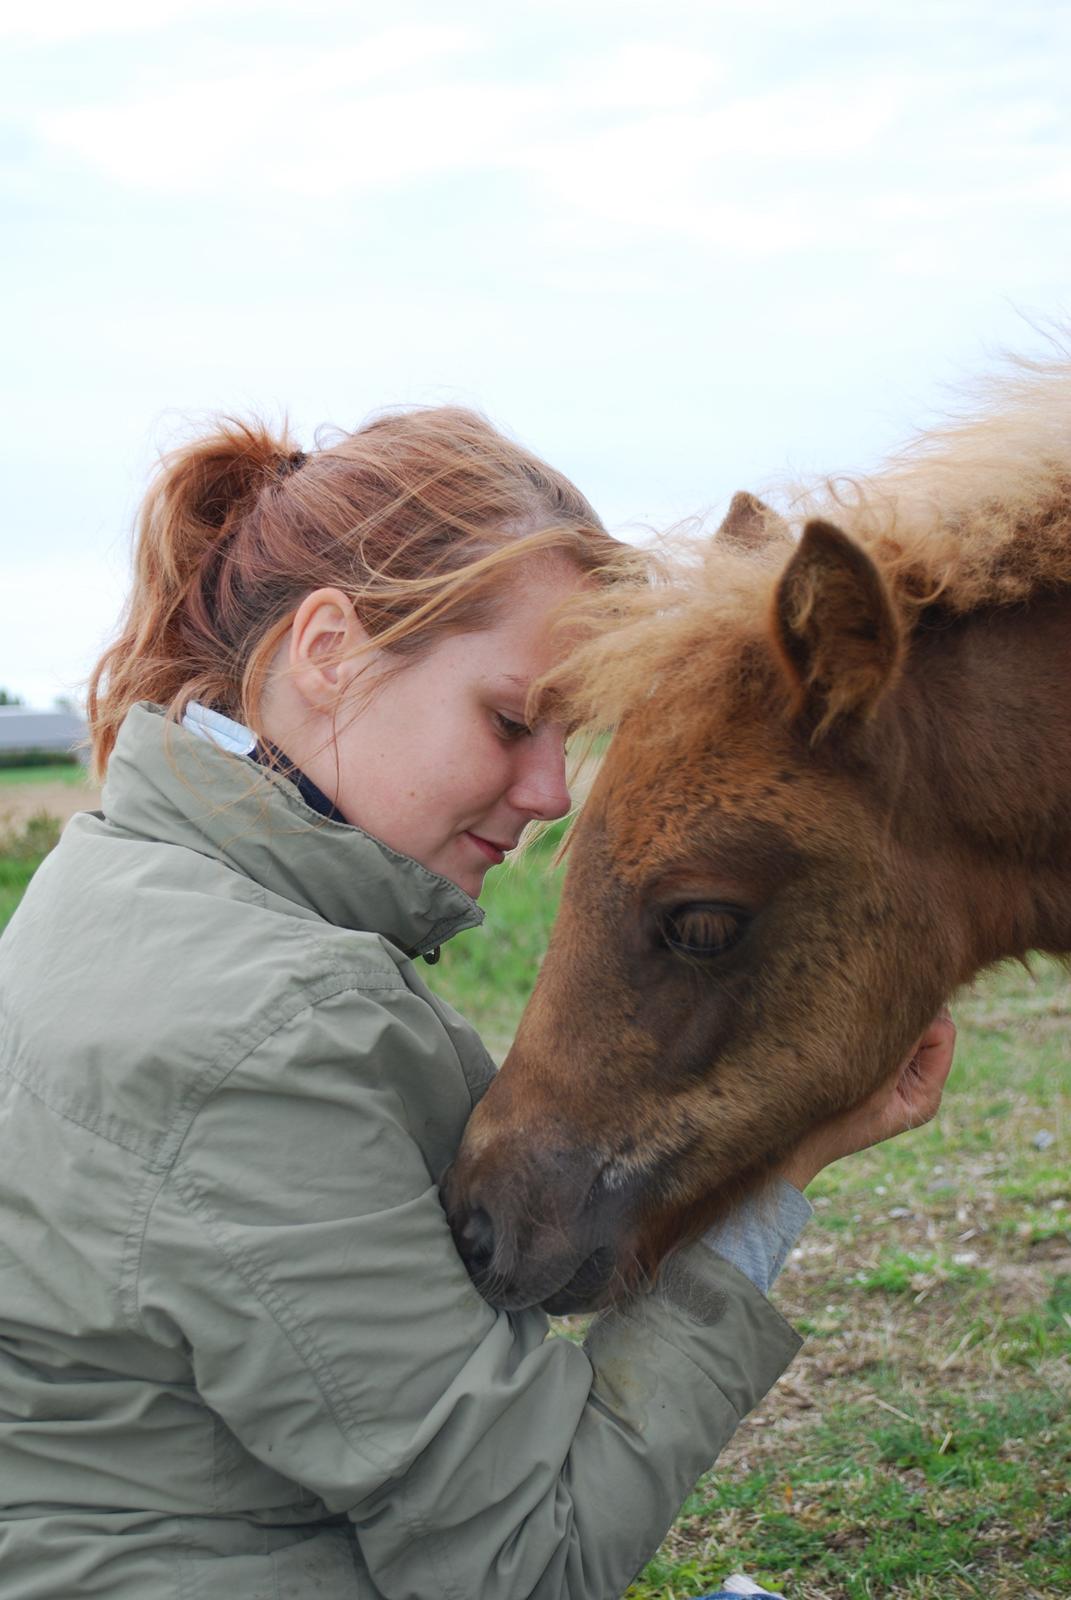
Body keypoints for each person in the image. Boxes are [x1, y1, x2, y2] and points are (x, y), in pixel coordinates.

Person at [0, 407, 955, 1600]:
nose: (553, 789)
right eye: (511, 719)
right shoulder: (260, 1029)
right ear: (331, 648)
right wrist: (779, 1171)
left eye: (568, 733)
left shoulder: (120, 877)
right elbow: (533, 1563)